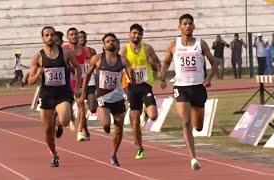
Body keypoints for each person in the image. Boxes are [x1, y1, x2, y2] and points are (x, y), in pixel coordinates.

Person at [159, 14, 217, 170]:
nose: (187, 26)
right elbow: (165, 62)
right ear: (179, 27)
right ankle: (193, 158)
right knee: (185, 123)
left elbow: (214, 62)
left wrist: (209, 78)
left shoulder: (201, 44)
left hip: (198, 88)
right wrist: (163, 75)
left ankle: (195, 121)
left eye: (190, 23)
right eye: (184, 24)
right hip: (181, 88)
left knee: (198, 127)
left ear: (194, 26)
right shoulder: (173, 45)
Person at [27, 26, 81, 167]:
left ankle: (59, 123)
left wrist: (77, 87)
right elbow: (30, 81)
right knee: (47, 131)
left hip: (63, 94)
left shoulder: (65, 53)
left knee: (64, 120)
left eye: (52, 34)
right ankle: (54, 154)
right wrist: (39, 72)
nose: (50, 37)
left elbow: (78, 68)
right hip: (46, 96)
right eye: (47, 35)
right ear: (43, 38)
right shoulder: (38, 57)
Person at [80, 33, 134, 166]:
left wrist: (133, 85)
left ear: (116, 44)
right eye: (108, 41)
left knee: (119, 128)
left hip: (118, 98)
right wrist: (83, 93)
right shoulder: (98, 59)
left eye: (113, 41)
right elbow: (87, 75)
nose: (111, 43)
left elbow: (131, 77)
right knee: (105, 125)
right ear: (104, 45)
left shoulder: (123, 60)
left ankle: (114, 154)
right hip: (103, 98)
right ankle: (106, 127)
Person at [119, 23, 161, 160]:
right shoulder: (124, 51)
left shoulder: (147, 48)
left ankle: (147, 113)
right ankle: (140, 148)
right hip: (130, 87)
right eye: (134, 33)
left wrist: (159, 73)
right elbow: (117, 67)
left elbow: (157, 64)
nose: (136, 36)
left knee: (154, 116)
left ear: (142, 35)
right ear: (130, 34)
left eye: (139, 34)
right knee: (135, 121)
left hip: (145, 85)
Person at [64, 27, 92, 141]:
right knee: (68, 107)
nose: (74, 36)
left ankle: (80, 132)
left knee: (81, 106)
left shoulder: (85, 50)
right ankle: (73, 121)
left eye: (76, 34)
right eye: (71, 34)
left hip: (80, 81)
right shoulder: (64, 49)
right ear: (68, 37)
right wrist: (72, 68)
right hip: (67, 82)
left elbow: (89, 65)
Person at [78, 30, 98, 124]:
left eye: (84, 37)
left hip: (90, 81)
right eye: (80, 37)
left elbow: (97, 65)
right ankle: (81, 129)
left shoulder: (91, 51)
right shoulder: (72, 52)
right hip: (78, 82)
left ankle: (98, 100)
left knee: (93, 108)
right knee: (80, 107)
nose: (82, 39)